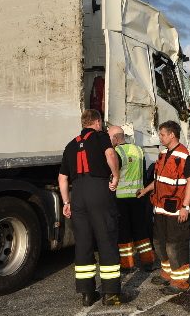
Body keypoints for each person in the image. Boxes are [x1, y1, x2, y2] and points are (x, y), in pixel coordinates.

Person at [58, 109, 124, 307]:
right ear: (96, 122)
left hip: (78, 194)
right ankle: (111, 294)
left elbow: (62, 177)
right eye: (101, 123)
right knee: (106, 240)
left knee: (84, 244)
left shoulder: (70, 145)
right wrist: (116, 176)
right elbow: (110, 153)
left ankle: (87, 294)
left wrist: (66, 202)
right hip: (99, 191)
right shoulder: (101, 137)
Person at [137, 120, 190, 295]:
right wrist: (145, 190)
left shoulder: (184, 156)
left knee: (175, 245)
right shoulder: (163, 154)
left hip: (177, 208)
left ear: (172, 135)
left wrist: (185, 207)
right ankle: (167, 273)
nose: (160, 137)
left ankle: (180, 281)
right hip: (161, 207)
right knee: (160, 243)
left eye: (162, 134)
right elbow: (159, 180)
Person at [107, 125, 156, 272]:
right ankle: (147, 262)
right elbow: (143, 174)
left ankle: (127, 265)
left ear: (115, 138)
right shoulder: (138, 150)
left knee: (124, 233)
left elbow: (114, 174)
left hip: (121, 197)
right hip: (138, 196)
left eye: (110, 137)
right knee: (141, 230)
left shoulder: (116, 152)